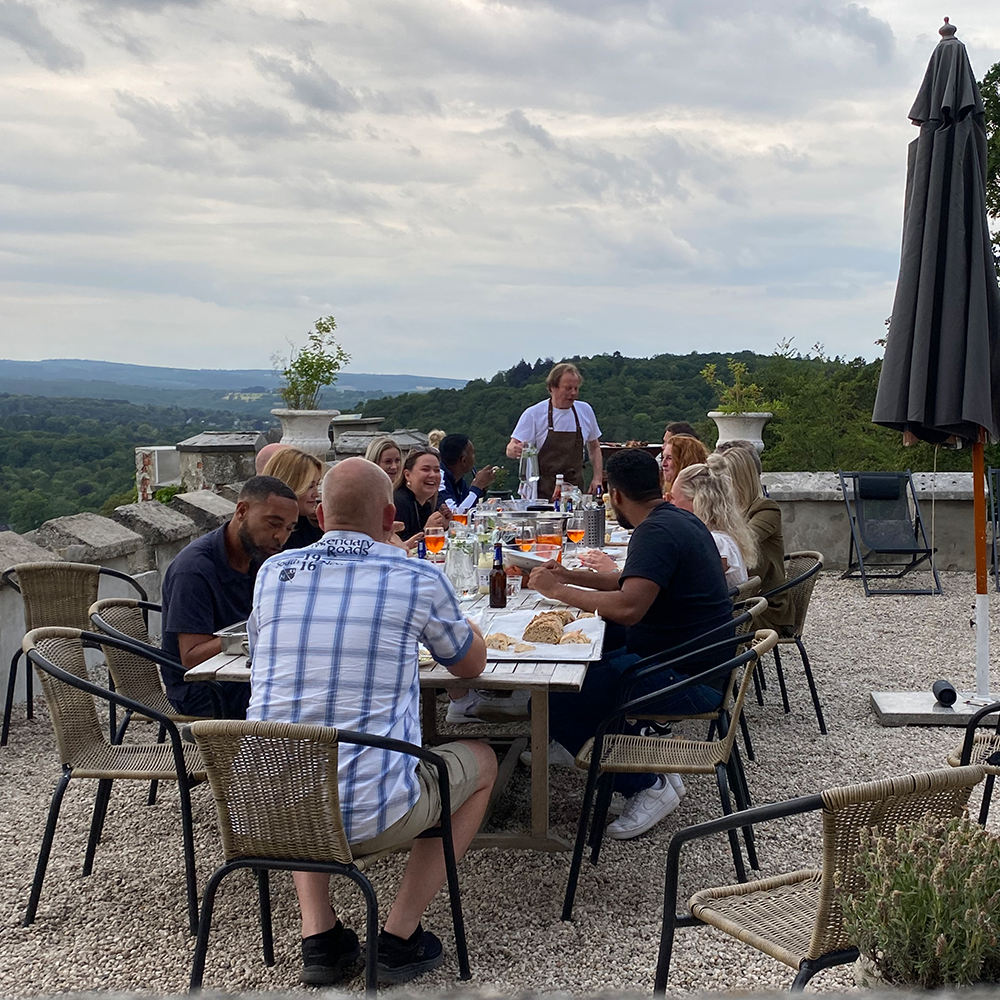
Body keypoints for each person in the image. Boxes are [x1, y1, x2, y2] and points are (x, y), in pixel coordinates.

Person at [247, 458, 497, 986]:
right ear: (391, 515)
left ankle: (319, 934)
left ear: (319, 512)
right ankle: (401, 936)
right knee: (484, 759)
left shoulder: (273, 572)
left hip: (269, 812)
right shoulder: (416, 576)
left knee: (301, 745)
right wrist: (466, 622)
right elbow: (470, 667)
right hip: (374, 816)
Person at [528, 449, 733, 840]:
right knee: (589, 662)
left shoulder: (655, 532)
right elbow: (631, 580)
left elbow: (628, 607)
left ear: (615, 496)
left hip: (687, 681)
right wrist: (571, 577)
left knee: (551, 697)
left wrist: (558, 592)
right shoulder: (675, 520)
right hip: (695, 663)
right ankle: (644, 760)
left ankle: (646, 785)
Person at [160, 476, 299, 718]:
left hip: (245, 672)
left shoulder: (261, 558)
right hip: (202, 689)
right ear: (242, 511)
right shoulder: (193, 569)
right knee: (297, 698)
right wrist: (254, 632)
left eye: (289, 528)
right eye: (273, 524)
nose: (281, 537)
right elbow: (191, 657)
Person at [708, 448, 794, 632]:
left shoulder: (766, 509)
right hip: (740, 599)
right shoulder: (729, 514)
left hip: (763, 606)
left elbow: (739, 543)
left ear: (737, 480)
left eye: (721, 480)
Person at [505, 362, 603, 498]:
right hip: (540, 493)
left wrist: (597, 478)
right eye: (568, 388)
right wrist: (515, 449)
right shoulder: (534, 414)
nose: (573, 393)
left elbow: (594, 447)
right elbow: (510, 448)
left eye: (576, 388)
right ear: (552, 388)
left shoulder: (585, 411)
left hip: (574, 492)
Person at [669, 463, 758, 588]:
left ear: (696, 500)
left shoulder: (715, 543)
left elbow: (683, 583)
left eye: (672, 498)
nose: (669, 504)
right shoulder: (721, 539)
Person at [262, 447, 325, 550]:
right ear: (291, 485)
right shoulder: (265, 536)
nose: (316, 494)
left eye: (317, 485)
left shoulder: (317, 526)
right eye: (309, 486)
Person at [393, 448, 451, 541]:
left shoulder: (428, 503)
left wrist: (444, 525)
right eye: (425, 469)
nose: (432, 475)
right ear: (407, 475)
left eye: (437, 470)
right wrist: (427, 531)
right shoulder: (398, 502)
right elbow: (398, 545)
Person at [437, 433, 496, 514]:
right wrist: (477, 487)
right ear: (464, 460)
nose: (474, 457)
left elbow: (468, 507)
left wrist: (480, 491)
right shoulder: (439, 478)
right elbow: (455, 514)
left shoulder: (459, 480)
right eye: (472, 454)